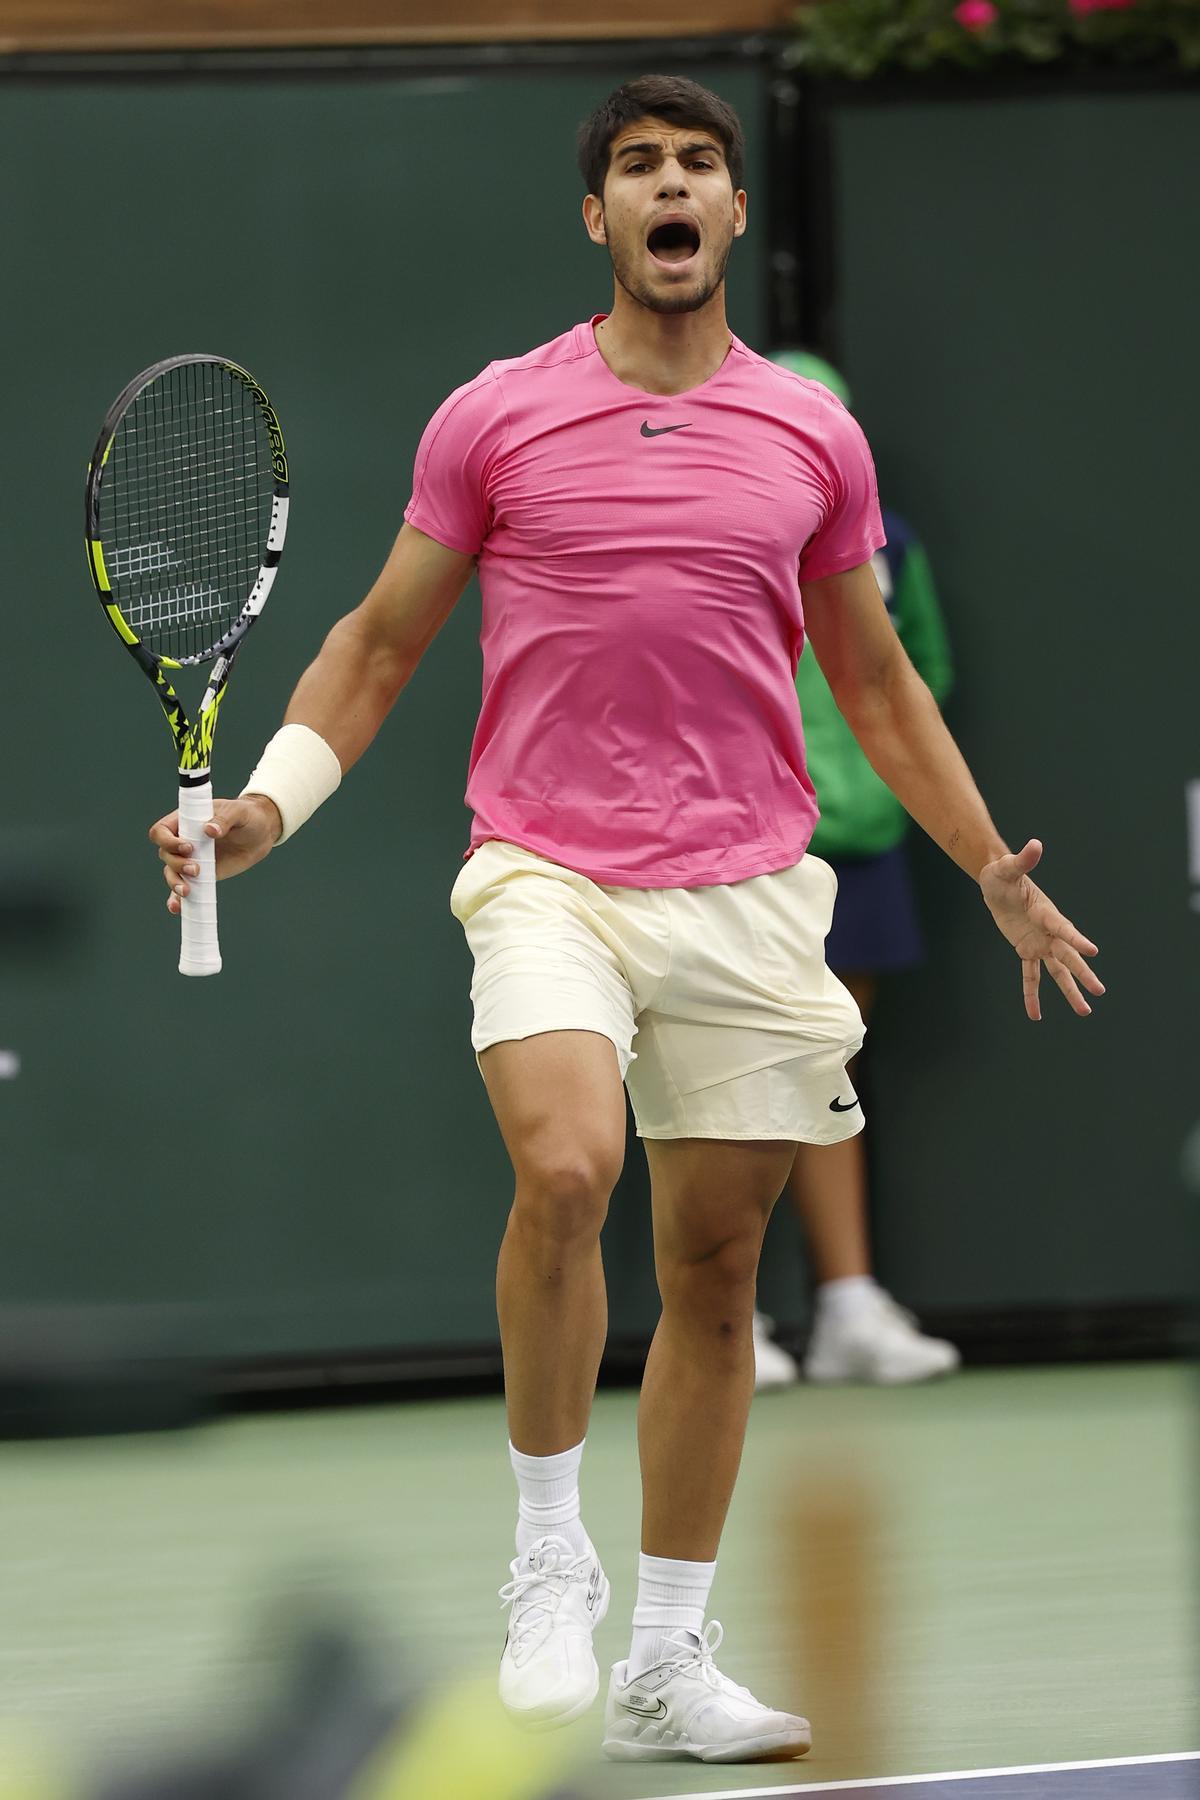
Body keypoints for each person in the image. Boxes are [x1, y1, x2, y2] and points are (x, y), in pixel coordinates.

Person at [149, 75, 1103, 1766]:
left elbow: (872, 680)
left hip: (747, 889)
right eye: (641, 168)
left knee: (720, 1271)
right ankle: (545, 1556)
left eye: (704, 165)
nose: (675, 188)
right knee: (569, 1166)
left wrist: (987, 868)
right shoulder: (496, 417)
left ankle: (667, 1658)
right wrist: (265, 807)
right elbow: (375, 647)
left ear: (732, 217)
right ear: (598, 220)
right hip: (548, 873)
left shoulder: (813, 433)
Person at [752, 348, 962, 1390]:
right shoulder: (720, 534)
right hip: (743, 840)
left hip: (863, 838)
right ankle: (726, 1315)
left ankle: (847, 1307)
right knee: (722, 1068)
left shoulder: (885, 545)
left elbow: (916, 670)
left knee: (825, 1064)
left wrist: (878, 786)